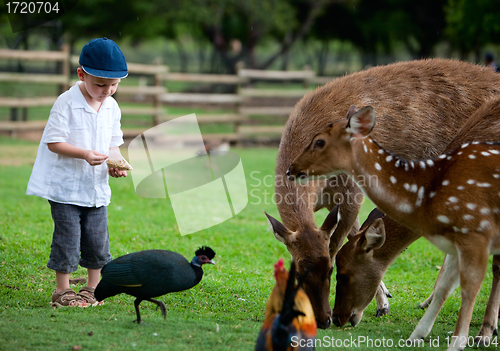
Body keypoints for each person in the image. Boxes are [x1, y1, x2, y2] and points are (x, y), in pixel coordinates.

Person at [26, 38, 129, 307]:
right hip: (66, 188)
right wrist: (84, 154)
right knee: (68, 238)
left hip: (95, 189)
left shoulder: (112, 107)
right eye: (100, 84)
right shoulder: (66, 103)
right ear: (81, 74)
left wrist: (115, 163)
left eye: (114, 85)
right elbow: (54, 142)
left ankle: (93, 287)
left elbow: (113, 144)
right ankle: (63, 290)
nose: (108, 91)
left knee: (97, 240)